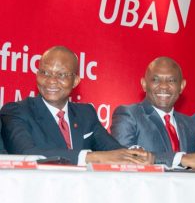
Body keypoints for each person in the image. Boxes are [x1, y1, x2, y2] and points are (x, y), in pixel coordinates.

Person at [0, 46, 154, 165]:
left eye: (61, 75)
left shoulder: (86, 114)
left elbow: (115, 151)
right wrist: (90, 157)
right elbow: (27, 154)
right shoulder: (16, 111)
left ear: (75, 81)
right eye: (45, 73)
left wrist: (137, 155)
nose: (51, 80)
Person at [111, 56, 195, 169]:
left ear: (182, 86)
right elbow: (124, 158)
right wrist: (182, 159)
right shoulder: (128, 114)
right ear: (144, 84)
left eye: (171, 80)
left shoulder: (191, 124)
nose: (164, 86)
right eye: (155, 80)